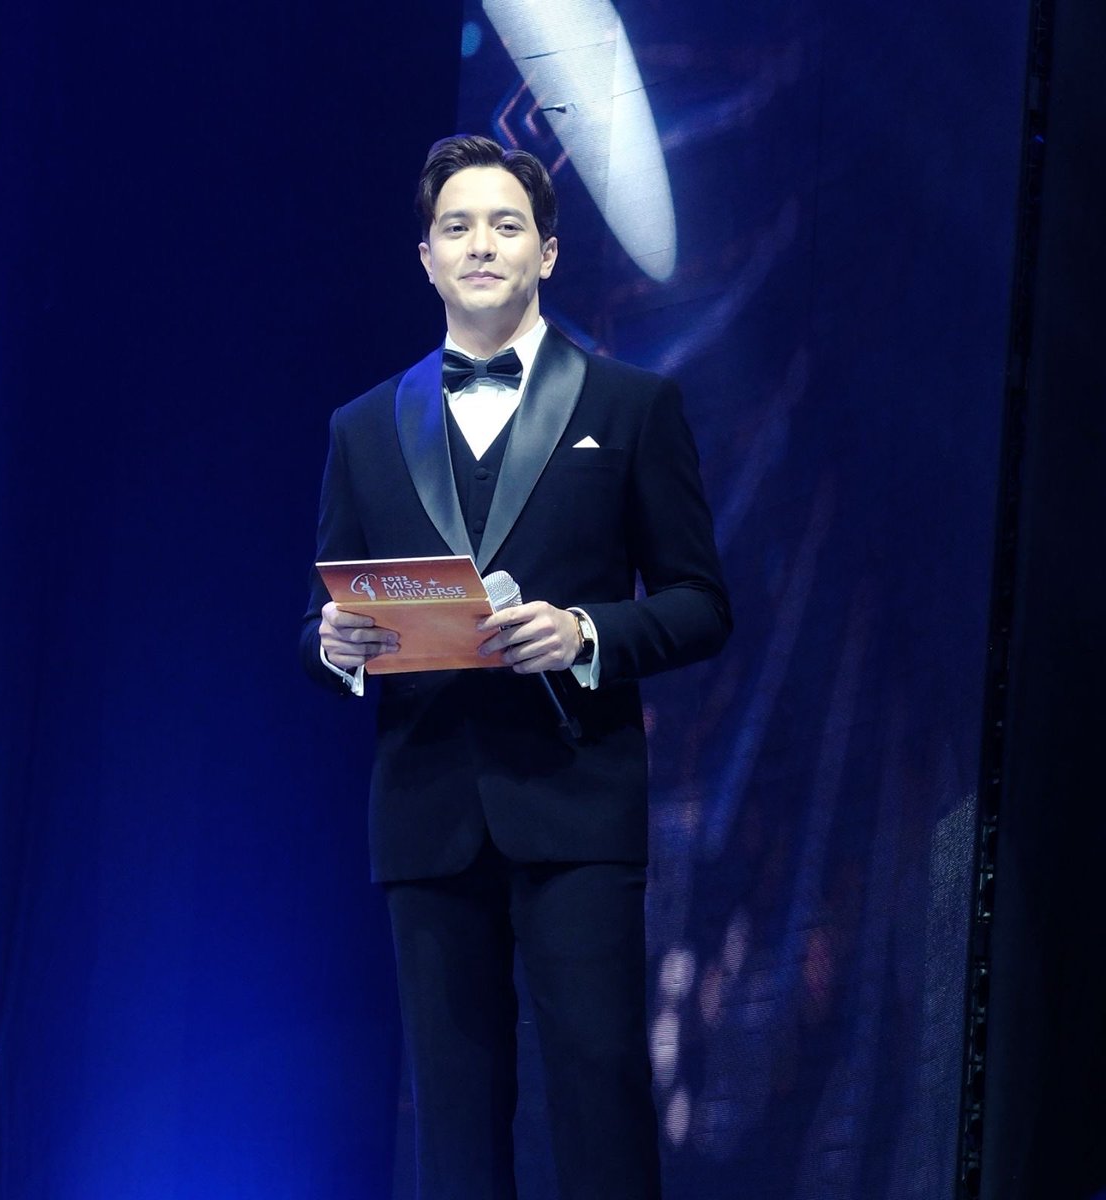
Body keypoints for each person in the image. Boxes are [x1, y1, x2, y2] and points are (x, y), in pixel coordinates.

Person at [300, 134, 731, 1200]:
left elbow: (700, 603)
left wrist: (586, 634)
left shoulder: (631, 405)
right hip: (427, 807)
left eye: (505, 225)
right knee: (452, 1118)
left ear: (548, 252)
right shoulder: (362, 427)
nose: (481, 245)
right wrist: (333, 647)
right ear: (426, 259)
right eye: (457, 227)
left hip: (575, 798)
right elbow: (321, 616)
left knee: (600, 1095)